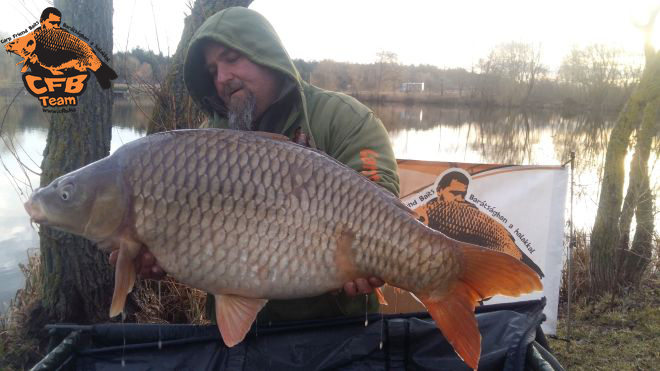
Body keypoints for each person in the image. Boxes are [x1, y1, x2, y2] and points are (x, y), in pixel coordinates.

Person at [110, 7, 400, 322]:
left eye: (232, 58)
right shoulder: (204, 148)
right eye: (212, 71)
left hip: (338, 330)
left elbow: (380, 204)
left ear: (266, 54)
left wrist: (370, 252)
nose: (222, 78)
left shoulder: (343, 118)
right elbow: (198, 241)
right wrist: (162, 256)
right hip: (241, 335)